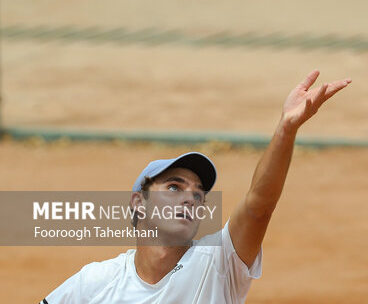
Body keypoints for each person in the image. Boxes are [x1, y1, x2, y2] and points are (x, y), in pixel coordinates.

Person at [40, 70, 352, 304]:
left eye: (198, 193)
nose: (190, 197)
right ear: (138, 202)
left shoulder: (217, 264)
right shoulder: (94, 284)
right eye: (174, 187)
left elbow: (258, 207)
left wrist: (285, 130)